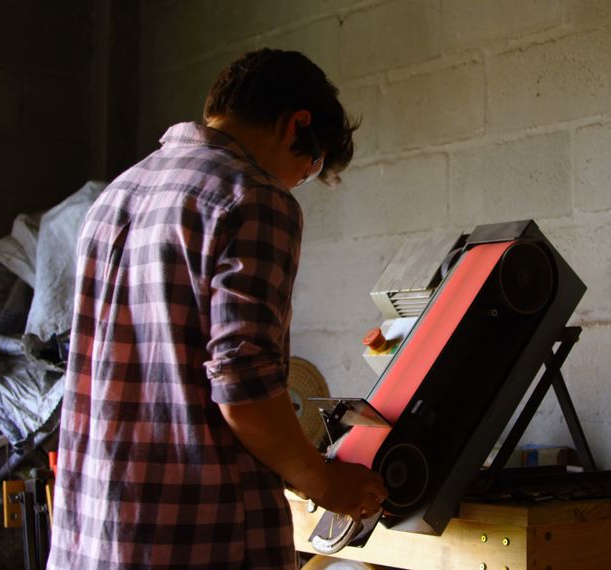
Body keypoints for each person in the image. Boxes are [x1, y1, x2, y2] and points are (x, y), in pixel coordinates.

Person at [49, 49, 387, 569]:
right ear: (297, 124)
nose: (299, 180)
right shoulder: (253, 196)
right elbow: (243, 386)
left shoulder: (115, 197)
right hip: (199, 536)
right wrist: (325, 483)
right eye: (311, 164)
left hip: (95, 535)